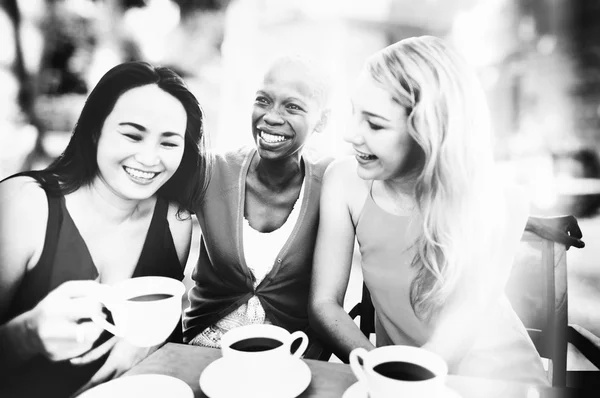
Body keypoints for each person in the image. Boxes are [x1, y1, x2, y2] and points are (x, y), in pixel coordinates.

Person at [308, 36, 555, 384]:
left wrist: (400, 383)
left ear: (427, 132)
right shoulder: (344, 181)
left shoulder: (501, 200)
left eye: (375, 124)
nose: (350, 134)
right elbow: (323, 304)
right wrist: (376, 371)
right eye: (354, 112)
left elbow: (460, 329)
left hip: (498, 382)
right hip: (400, 379)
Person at [0, 61, 210, 397]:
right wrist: (25, 335)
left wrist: (150, 340)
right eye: (132, 134)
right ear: (95, 129)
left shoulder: (175, 221)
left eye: (168, 143)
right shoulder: (25, 205)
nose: (149, 158)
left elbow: (164, 324)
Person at [182, 55, 332, 349]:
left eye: (292, 106)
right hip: (205, 344)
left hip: (290, 353)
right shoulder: (212, 172)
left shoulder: (330, 186)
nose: (272, 117)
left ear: (322, 120)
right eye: (263, 100)